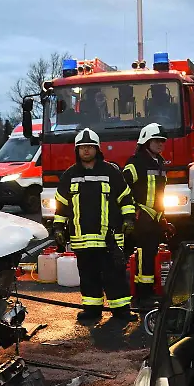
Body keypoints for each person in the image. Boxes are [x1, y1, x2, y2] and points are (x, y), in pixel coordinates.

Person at [52, 128, 137, 323]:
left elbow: (126, 199)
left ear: (97, 149)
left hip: (109, 238)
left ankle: (122, 311)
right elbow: (61, 206)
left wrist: (129, 219)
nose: (86, 150)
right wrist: (57, 228)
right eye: (83, 147)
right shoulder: (69, 176)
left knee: (114, 275)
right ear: (77, 150)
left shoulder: (111, 172)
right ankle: (92, 310)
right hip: (82, 239)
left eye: (90, 147)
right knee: (88, 276)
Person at [123, 122, 174, 309]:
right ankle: (143, 296)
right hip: (140, 218)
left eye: (162, 141)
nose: (160, 144)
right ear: (146, 141)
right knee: (144, 254)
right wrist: (134, 211)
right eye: (156, 141)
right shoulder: (135, 163)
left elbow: (159, 194)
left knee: (150, 254)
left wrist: (164, 219)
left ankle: (147, 291)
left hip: (154, 218)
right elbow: (123, 190)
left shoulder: (160, 163)